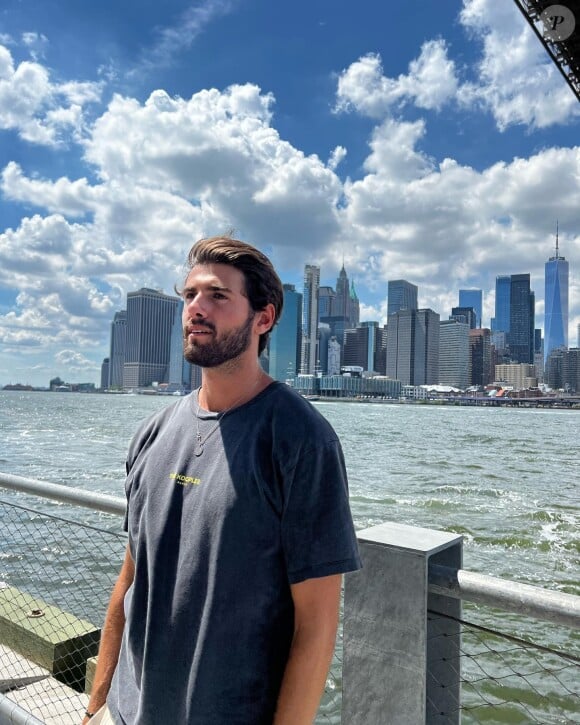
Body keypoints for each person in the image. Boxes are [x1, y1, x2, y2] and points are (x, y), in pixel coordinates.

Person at [83, 235, 361, 725]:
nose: (196, 308)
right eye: (190, 295)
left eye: (217, 295)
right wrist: (97, 703)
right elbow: (130, 579)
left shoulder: (301, 440)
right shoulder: (151, 433)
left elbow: (315, 627)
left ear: (264, 318)